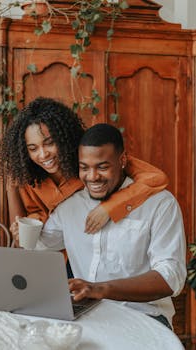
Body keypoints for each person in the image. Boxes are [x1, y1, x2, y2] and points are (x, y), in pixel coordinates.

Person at [39, 123, 186, 329]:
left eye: (102, 167)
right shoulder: (69, 207)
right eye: (84, 168)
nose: (92, 177)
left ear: (123, 160)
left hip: (144, 317)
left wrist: (100, 289)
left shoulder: (160, 204)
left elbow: (171, 277)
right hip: (86, 318)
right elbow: (39, 245)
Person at [0, 96, 168, 240]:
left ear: (63, 137)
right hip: (52, 256)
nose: (43, 155)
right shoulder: (30, 175)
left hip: (91, 250)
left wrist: (110, 207)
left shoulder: (90, 161)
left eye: (49, 143)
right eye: (33, 148)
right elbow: (31, 221)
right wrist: (12, 189)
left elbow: (155, 177)